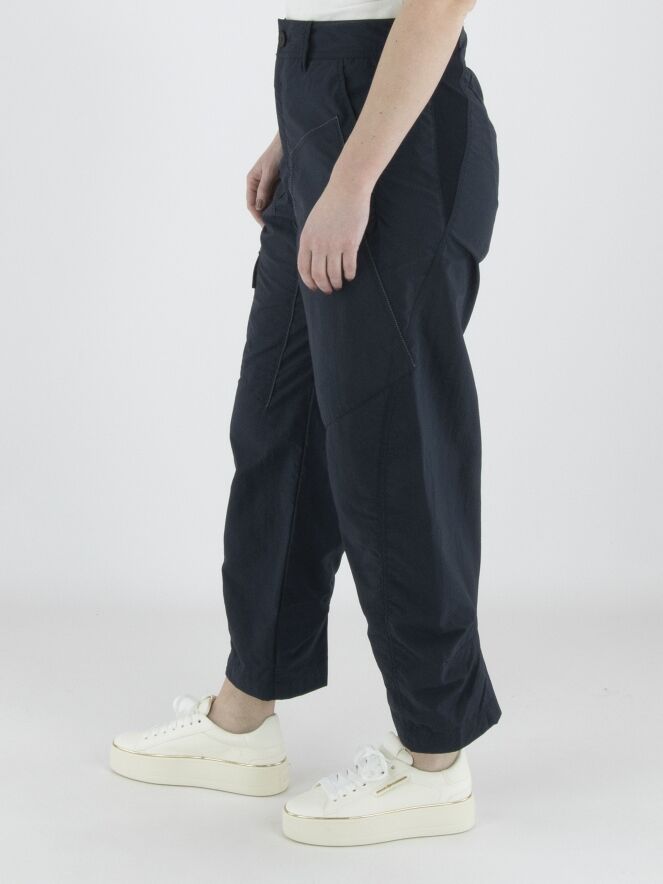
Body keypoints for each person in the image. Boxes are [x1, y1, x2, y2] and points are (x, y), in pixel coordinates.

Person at [110, 0, 501, 847]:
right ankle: (243, 715)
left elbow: (435, 7)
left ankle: (434, 756)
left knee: (391, 455)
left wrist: (350, 179)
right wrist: (296, 138)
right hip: (323, 112)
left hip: (394, 152)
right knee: (277, 429)